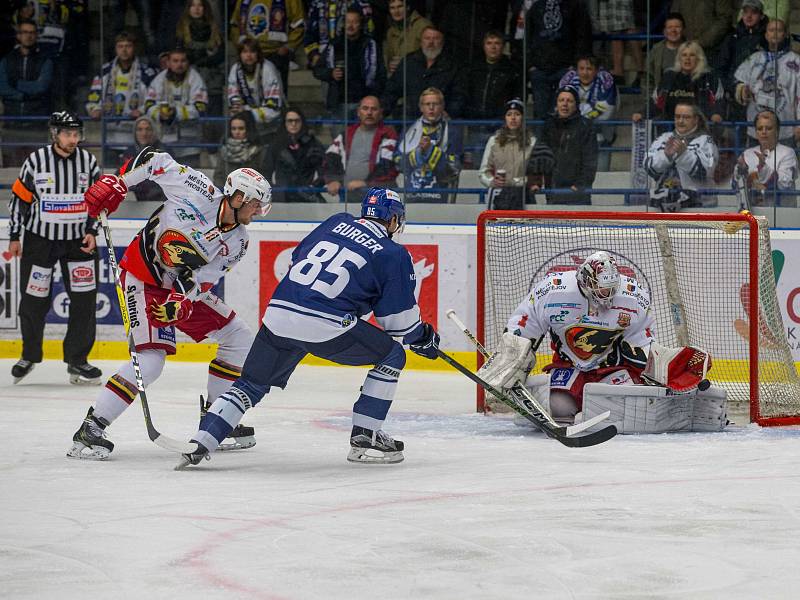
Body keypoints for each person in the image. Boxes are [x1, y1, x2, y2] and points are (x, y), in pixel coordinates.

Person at [176, 187, 440, 468]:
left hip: (279, 312)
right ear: (393, 219)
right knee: (392, 355)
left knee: (250, 384)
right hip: (324, 324)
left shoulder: (336, 221)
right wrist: (422, 337)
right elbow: (398, 323)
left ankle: (202, 439)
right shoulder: (393, 253)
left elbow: (297, 259)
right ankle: (367, 434)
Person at [67, 149, 272, 460]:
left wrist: (181, 300)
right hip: (142, 276)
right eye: (256, 204)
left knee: (239, 337)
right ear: (239, 196)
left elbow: (203, 278)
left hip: (173, 286)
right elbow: (156, 160)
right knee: (150, 361)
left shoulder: (238, 241)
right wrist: (120, 183)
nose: (258, 211)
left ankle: (215, 422)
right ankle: (91, 428)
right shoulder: (198, 189)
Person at [478, 251, 654, 425]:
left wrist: (651, 375)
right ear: (586, 279)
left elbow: (641, 341)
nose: (606, 293)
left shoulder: (633, 295)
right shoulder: (553, 288)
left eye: (611, 288)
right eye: (601, 287)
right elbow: (525, 323)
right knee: (558, 408)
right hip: (568, 366)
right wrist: (508, 361)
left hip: (611, 369)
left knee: (622, 412)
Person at [7, 111, 102, 385]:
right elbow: (19, 201)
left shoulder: (88, 162)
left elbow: (98, 202)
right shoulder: (36, 161)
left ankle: (78, 360)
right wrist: (15, 236)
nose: (73, 139)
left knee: (84, 301)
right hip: (40, 241)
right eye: (68, 134)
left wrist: (92, 230)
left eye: (76, 134)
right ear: (54, 134)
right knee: (34, 300)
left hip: (78, 243)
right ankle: (29, 355)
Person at [85, 31, 156, 162]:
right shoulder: (104, 71)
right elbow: (93, 97)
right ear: (115, 49)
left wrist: (141, 111)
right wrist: (95, 109)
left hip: (137, 137)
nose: (124, 50)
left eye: (128, 46)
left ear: (135, 48)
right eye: (120, 46)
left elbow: (152, 101)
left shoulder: (147, 73)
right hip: (110, 137)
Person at [733, 18, 800, 146]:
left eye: (779, 30)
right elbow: (738, 81)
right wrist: (741, 89)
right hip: (756, 129)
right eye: (771, 30)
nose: (775, 33)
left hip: (786, 129)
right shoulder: (754, 59)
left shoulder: (796, 61)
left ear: (785, 34)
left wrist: (799, 124)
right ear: (766, 34)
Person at [312, 8, 385, 119]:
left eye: (355, 22)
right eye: (348, 22)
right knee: (339, 136)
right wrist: (331, 73)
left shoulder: (370, 45)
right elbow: (317, 70)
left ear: (360, 24)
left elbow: (381, 74)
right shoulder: (334, 45)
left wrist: (374, 96)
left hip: (364, 103)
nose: (351, 25)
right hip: (339, 103)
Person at [645, 101, 719, 211]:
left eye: (686, 117)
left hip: (699, 209)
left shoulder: (707, 141)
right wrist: (666, 156)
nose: (680, 121)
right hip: (663, 208)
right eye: (677, 117)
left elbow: (706, 172)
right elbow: (648, 167)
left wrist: (683, 154)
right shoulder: (664, 138)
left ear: (696, 120)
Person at [323, 96, 398, 202]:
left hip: (378, 198)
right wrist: (333, 180)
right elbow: (331, 157)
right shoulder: (347, 133)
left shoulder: (388, 134)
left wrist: (366, 184)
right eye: (365, 108)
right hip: (348, 197)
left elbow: (388, 165)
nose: (369, 113)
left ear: (380, 113)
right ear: (358, 112)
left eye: (374, 109)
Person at [381, 26, 467, 119]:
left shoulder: (453, 66)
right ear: (421, 42)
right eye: (427, 38)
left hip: (440, 121)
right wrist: (381, 111)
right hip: (410, 121)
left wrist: (450, 113)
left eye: (436, 38)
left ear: (442, 42)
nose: (431, 42)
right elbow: (391, 91)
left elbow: (459, 95)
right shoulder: (409, 62)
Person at [394, 87, 462, 203]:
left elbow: (454, 167)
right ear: (421, 107)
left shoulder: (452, 132)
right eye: (427, 104)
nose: (431, 108)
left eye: (435, 104)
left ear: (442, 106)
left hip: (440, 195)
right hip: (412, 195)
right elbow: (397, 162)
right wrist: (419, 152)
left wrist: (431, 150)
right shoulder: (408, 130)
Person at [0, 19, 54, 165]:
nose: (28, 36)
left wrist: (17, 85)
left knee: (38, 173)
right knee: (11, 172)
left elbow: (42, 87)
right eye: (24, 32)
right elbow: (3, 88)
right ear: (18, 35)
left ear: (36, 35)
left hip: (36, 126)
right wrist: (25, 93)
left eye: (32, 33)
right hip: (11, 126)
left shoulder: (45, 60)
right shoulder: (7, 60)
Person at [143, 48, 208, 167]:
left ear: (188, 62)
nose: (179, 64)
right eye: (175, 61)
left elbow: (201, 107)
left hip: (190, 144)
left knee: (190, 181)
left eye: (183, 61)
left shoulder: (195, 79)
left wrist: (175, 113)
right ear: (168, 63)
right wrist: (160, 114)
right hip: (164, 142)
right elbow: (148, 104)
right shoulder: (159, 79)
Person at [478, 98, 545, 209]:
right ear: (505, 118)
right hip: (500, 195)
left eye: (517, 114)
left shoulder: (532, 142)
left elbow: (537, 175)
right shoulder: (494, 141)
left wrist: (523, 183)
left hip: (524, 196)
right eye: (509, 114)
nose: (513, 118)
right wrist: (492, 181)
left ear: (523, 118)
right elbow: (483, 172)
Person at [229, 0, 306, 92]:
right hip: (249, 54)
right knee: (247, 93)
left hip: (276, 54)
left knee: (276, 94)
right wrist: (240, 45)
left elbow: (299, 24)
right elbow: (235, 24)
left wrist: (288, 47)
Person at [539, 86, 598, 205]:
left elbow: (590, 160)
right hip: (553, 191)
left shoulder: (585, 126)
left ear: (576, 105)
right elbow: (541, 156)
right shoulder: (549, 125)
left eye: (569, 101)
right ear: (556, 104)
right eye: (561, 100)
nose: (564, 104)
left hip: (577, 193)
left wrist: (581, 185)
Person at [558, 55, 618, 171]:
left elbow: (606, 110)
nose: (585, 73)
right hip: (573, 134)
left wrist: (580, 114)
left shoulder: (605, 80)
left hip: (599, 133)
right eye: (581, 69)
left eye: (589, 69)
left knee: (600, 172)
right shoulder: (568, 80)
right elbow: (562, 107)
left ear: (596, 70)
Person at [226, 38, 284, 142]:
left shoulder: (268, 69)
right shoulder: (235, 69)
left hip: (270, 129)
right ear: (239, 54)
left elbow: (273, 109)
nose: (248, 55)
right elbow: (234, 104)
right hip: (246, 129)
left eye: (252, 51)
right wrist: (243, 112)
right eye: (244, 52)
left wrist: (247, 112)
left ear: (258, 54)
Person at [263, 109, 326, 203]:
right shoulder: (275, 145)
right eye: (290, 121)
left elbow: (323, 171)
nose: (293, 124)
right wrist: (275, 191)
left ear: (302, 122)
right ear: (284, 123)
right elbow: (266, 172)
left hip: (307, 197)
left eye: (297, 121)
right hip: (281, 197)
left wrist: (312, 188)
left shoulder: (314, 144)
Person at [736, 110, 797, 206]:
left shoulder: (788, 153)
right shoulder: (747, 154)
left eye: (768, 128)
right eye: (760, 129)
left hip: (783, 215)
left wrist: (763, 168)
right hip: (754, 214)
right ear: (756, 133)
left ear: (777, 131)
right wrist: (739, 175)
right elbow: (735, 184)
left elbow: (784, 185)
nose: (764, 132)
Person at [175, 0, 225, 119]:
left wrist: (208, 60)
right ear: (188, 8)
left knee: (214, 117)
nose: (196, 9)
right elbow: (178, 54)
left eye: (200, 5)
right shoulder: (181, 29)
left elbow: (221, 54)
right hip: (190, 77)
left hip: (212, 79)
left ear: (205, 8)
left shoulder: (214, 29)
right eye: (193, 5)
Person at [120, 116, 166, 202]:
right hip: (135, 203)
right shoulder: (129, 152)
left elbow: (167, 180)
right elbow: (121, 175)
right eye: (140, 130)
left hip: (159, 202)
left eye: (148, 129)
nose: (144, 134)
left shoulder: (163, 152)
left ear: (154, 132)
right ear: (135, 132)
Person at [214, 112, 267, 184]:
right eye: (233, 129)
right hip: (227, 192)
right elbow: (218, 175)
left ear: (248, 130)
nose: (237, 132)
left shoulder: (258, 150)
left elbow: (263, 176)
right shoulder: (224, 149)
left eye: (241, 129)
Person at [383, 0, 432, 76]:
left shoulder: (423, 26)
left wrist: (405, 63)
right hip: (398, 77)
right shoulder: (391, 31)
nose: (396, 11)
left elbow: (432, 55)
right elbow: (388, 57)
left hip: (420, 76)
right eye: (392, 8)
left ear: (408, 7)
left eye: (400, 6)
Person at [645, 13, 686, 92]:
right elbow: (647, 78)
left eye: (677, 27)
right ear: (664, 31)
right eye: (670, 27)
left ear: (683, 30)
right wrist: (652, 100)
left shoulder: (693, 49)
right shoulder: (656, 50)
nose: (673, 30)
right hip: (662, 98)